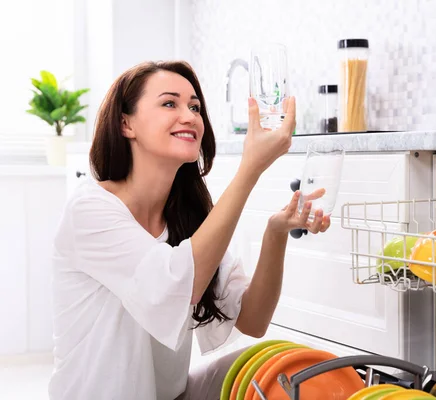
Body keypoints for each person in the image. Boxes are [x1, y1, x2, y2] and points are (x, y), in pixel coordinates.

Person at [48, 60, 331, 400]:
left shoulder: (188, 217)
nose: (189, 116)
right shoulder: (90, 210)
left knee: (290, 367)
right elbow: (173, 287)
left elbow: (253, 320)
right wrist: (250, 169)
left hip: (172, 395)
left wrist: (276, 233)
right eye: (170, 103)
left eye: (194, 106)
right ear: (126, 124)